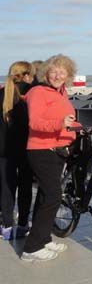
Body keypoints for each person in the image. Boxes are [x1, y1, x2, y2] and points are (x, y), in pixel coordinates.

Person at [21, 54, 81, 262]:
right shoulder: (38, 92)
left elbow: (62, 120)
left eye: (62, 72)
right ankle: (31, 248)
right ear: (45, 72)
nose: (57, 75)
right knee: (54, 196)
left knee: (46, 196)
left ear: (68, 76)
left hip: (56, 150)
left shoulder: (60, 93)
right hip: (41, 150)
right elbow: (35, 123)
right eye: (53, 71)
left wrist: (75, 128)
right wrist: (60, 123)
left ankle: (43, 238)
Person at [0, 61, 34, 240]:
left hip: (4, 150)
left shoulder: (3, 93)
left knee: (7, 188)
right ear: (27, 74)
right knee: (25, 187)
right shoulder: (31, 93)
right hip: (27, 148)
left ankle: (6, 226)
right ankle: (22, 225)